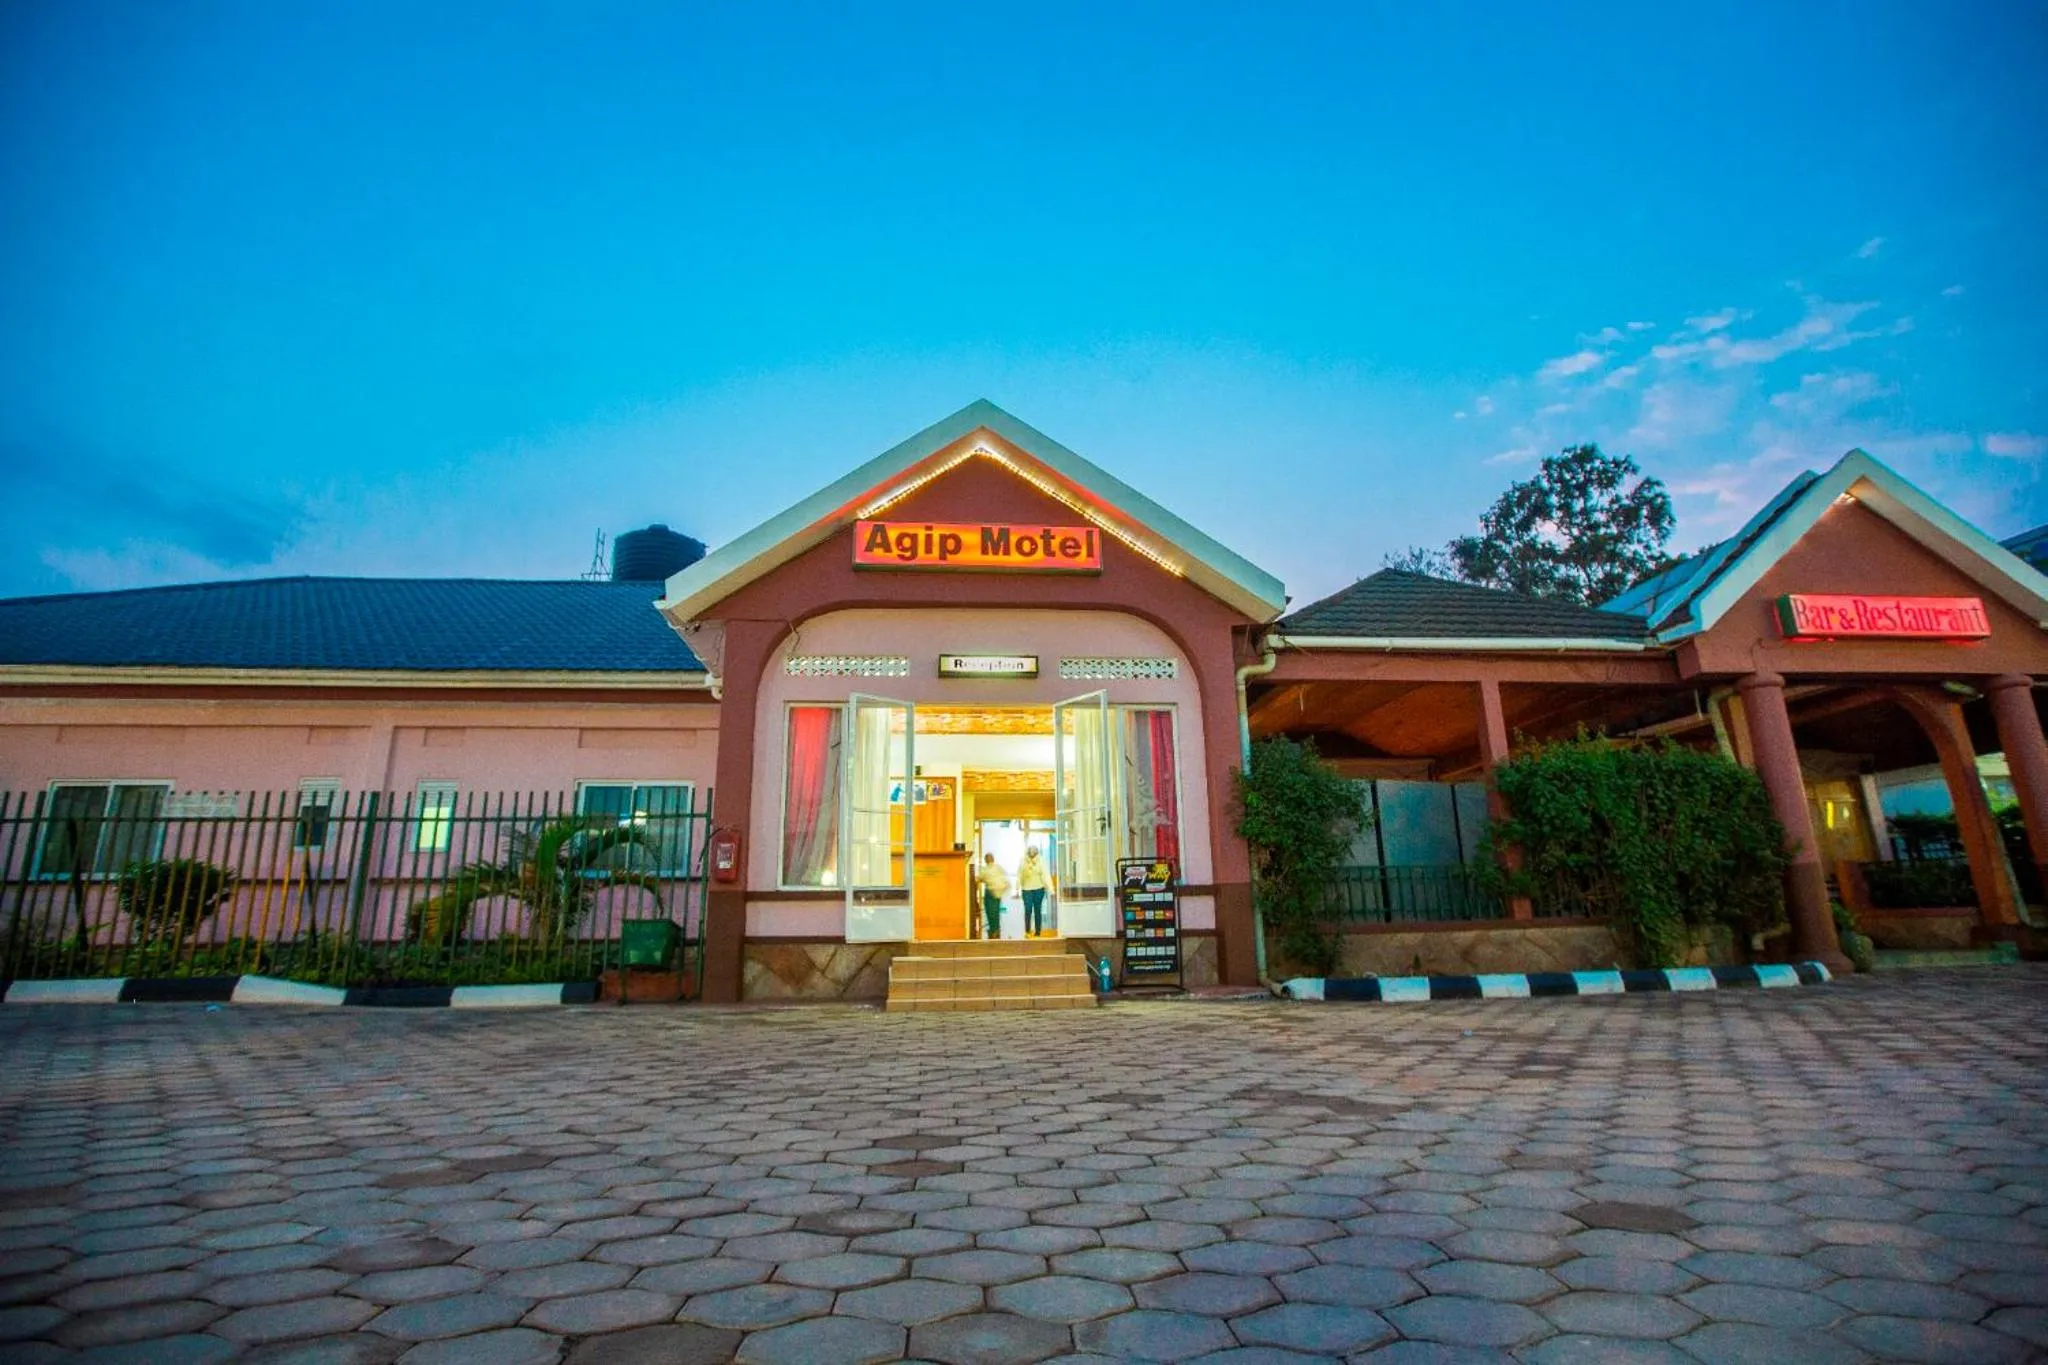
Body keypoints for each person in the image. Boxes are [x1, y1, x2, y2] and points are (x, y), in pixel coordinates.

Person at [1018, 845, 1051, 937]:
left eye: (1034, 852)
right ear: (1028, 853)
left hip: (1039, 889)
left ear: (1036, 853)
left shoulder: (1041, 860)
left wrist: (1050, 888)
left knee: (1037, 910)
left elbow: (1046, 874)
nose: (1032, 853)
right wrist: (1016, 888)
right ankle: (1027, 931)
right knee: (1028, 910)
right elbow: (1019, 874)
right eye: (1030, 852)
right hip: (1026, 889)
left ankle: (1037, 932)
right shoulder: (1023, 861)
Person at [976, 853, 1010, 939]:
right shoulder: (998, 867)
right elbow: (1005, 877)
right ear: (993, 859)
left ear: (986, 860)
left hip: (990, 892)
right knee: (996, 912)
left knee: (990, 913)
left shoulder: (985, 869)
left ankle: (993, 931)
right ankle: (996, 931)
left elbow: (979, 878)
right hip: (998, 893)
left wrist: (976, 879)